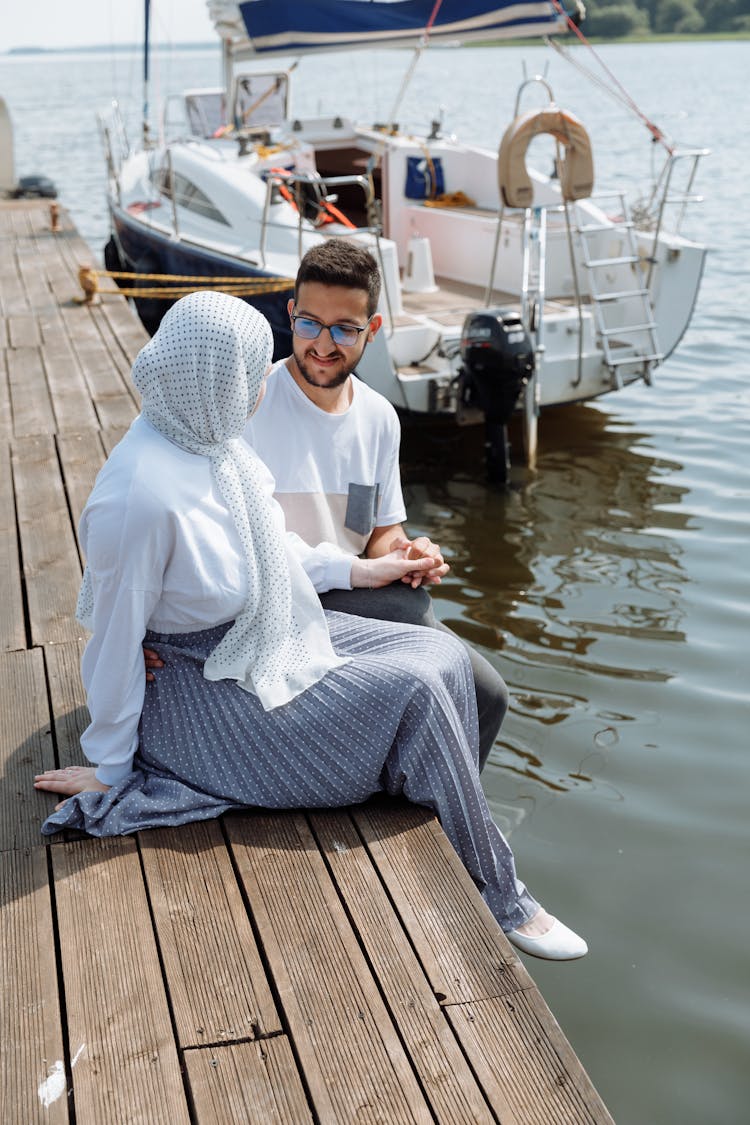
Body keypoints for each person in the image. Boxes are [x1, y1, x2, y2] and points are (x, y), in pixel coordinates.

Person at [33, 291, 586, 960]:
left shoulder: (208, 443)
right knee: (414, 691)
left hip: (256, 627)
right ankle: (499, 890)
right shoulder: (141, 496)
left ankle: (437, 795)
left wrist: (363, 572)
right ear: (211, 377)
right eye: (249, 371)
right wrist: (111, 765)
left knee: (439, 657)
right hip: (193, 685)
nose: (261, 384)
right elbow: (116, 637)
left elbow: (272, 551)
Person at [145, 240, 508, 770]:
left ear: (374, 330)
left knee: (489, 696)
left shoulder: (381, 418)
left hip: (353, 602)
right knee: (409, 613)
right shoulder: (248, 402)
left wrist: (408, 553)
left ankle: (444, 811)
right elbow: (183, 528)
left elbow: (381, 533)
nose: (322, 344)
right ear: (289, 314)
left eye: (344, 329)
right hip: (266, 607)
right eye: (310, 323)